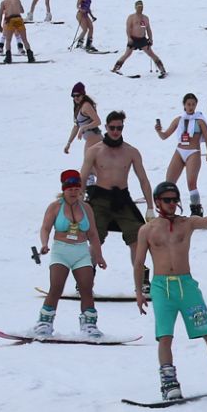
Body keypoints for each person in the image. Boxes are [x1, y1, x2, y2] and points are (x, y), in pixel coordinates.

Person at [131, 182, 207, 399]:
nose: (172, 204)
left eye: (175, 200)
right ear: (157, 202)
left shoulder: (187, 223)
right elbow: (139, 263)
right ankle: (169, 382)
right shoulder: (147, 229)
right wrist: (138, 292)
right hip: (161, 287)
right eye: (167, 200)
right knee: (165, 336)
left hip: (186, 285)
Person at [80, 111, 154, 292]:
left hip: (122, 198)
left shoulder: (131, 152)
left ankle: (142, 282)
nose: (115, 131)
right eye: (112, 127)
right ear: (105, 127)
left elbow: (143, 179)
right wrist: (78, 202)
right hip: (100, 198)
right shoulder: (94, 151)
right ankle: (85, 279)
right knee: (95, 238)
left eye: (119, 128)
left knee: (137, 237)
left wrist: (150, 207)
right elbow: (82, 177)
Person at [32, 169, 107, 338]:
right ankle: (44, 323)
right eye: (70, 189)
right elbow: (45, 228)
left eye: (76, 189)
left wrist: (99, 256)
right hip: (61, 251)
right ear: (64, 189)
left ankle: (89, 325)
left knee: (87, 288)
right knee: (56, 287)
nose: (73, 192)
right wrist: (44, 244)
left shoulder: (86, 208)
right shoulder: (55, 207)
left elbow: (93, 234)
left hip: (81, 252)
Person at [154, 93, 207, 216]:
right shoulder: (178, 120)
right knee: (169, 183)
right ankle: (167, 209)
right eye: (188, 104)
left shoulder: (200, 120)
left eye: (193, 104)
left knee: (191, 182)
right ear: (184, 105)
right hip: (180, 151)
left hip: (193, 152)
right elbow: (165, 136)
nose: (191, 107)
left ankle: (196, 209)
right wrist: (158, 130)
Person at [111, 0, 167, 77]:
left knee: (151, 54)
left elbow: (147, 29)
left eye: (141, 7)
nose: (140, 9)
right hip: (133, 39)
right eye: (139, 7)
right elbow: (128, 29)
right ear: (135, 8)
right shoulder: (131, 17)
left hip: (142, 39)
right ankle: (116, 68)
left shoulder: (145, 18)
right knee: (127, 54)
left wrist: (150, 39)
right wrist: (129, 38)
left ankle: (162, 69)